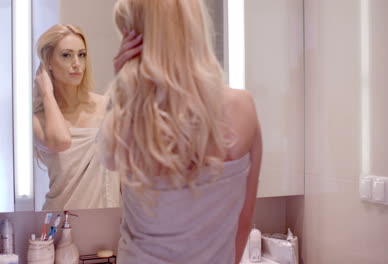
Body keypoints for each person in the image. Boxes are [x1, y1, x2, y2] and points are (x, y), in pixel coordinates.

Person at [99, 0, 262, 263]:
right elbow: (243, 222)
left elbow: (108, 160)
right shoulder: (242, 108)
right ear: (192, 27)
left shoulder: (130, 119)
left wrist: (122, 86)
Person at [33, 24, 120, 210]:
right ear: (48, 61)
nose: (77, 63)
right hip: (59, 223)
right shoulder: (38, 119)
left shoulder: (107, 107)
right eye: (66, 55)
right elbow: (61, 141)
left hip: (108, 222)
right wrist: (47, 93)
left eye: (82, 55)